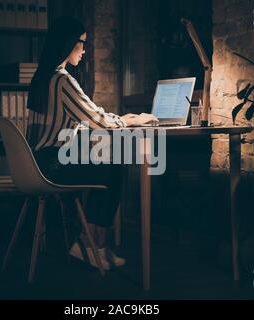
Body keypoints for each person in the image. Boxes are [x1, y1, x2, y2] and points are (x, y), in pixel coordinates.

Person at [26, 16, 158, 270]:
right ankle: (93, 245)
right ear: (68, 44)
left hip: (37, 163)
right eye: (82, 44)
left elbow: (85, 119)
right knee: (114, 166)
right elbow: (95, 118)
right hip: (52, 165)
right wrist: (131, 120)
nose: (84, 51)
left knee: (107, 162)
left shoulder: (41, 78)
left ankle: (92, 245)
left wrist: (118, 120)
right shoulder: (61, 80)